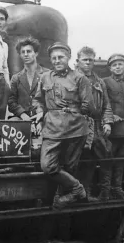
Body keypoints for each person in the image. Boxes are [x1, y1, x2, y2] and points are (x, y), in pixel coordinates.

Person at [32, 42, 94, 210]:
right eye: (54, 58)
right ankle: (77, 189)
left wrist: (73, 110)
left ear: (68, 58)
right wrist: (39, 111)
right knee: (48, 166)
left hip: (75, 128)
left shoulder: (80, 78)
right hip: (52, 127)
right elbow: (38, 99)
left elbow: (89, 106)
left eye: (61, 57)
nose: (57, 60)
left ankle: (62, 199)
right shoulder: (45, 77)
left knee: (70, 167)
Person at [76, 47, 114, 202]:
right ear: (77, 61)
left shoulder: (99, 81)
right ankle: (84, 193)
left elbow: (106, 104)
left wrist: (108, 123)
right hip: (80, 125)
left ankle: (106, 192)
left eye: (90, 60)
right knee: (84, 160)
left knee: (105, 155)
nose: (88, 63)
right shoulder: (74, 78)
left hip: (97, 126)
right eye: (84, 60)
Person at [8, 36, 49, 121]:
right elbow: (11, 101)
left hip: (43, 116)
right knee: (12, 122)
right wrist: (22, 114)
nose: (26, 54)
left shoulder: (47, 74)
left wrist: (41, 113)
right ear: (20, 55)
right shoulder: (16, 78)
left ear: (36, 53)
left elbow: (52, 99)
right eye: (23, 52)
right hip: (23, 118)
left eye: (29, 51)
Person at [103, 54, 124, 199]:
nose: (118, 67)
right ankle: (105, 189)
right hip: (112, 128)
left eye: (120, 64)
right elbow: (104, 103)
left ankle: (117, 187)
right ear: (110, 68)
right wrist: (110, 118)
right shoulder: (104, 82)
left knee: (121, 159)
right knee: (108, 158)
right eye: (114, 65)